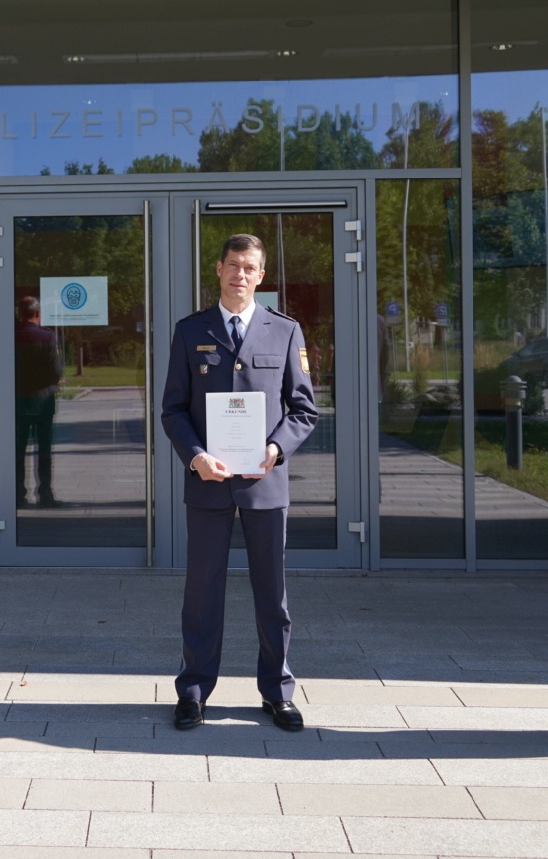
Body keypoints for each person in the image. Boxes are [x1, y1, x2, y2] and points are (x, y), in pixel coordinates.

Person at [161, 234, 318, 732]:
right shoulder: (191, 331)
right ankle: (193, 691)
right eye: (233, 266)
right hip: (208, 482)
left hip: (264, 485)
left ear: (261, 275)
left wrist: (274, 449)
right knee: (201, 593)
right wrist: (196, 456)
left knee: (272, 593)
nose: (240, 275)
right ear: (218, 269)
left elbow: (304, 410)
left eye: (250, 267)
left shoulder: (285, 331)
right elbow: (172, 410)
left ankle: (277, 691)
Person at [14, 295, 63, 507]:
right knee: (44, 450)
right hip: (43, 401)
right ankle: (45, 493)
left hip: (18, 401)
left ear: (19, 314)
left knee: (18, 451)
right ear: (37, 314)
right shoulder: (47, 336)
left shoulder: (12, 336)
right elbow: (55, 370)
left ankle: (18, 494)